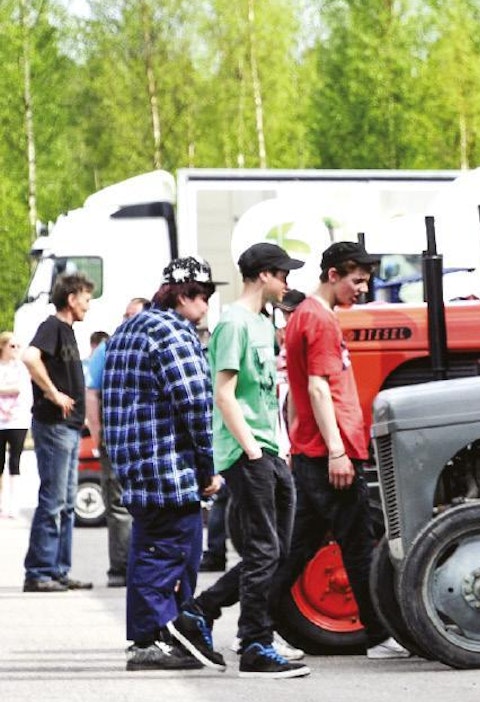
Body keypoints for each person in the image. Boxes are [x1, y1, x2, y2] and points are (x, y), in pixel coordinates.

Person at [280, 242, 409, 660]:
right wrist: (336, 451)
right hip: (330, 453)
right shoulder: (320, 320)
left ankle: (240, 622)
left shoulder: (306, 316)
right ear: (333, 275)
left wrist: (298, 442)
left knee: (299, 548)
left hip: (315, 450)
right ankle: (377, 637)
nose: (363, 289)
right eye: (357, 280)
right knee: (356, 545)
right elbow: (317, 387)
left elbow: (300, 394)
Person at [191, 243, 311, 679]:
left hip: (271, 450)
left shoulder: (263, 324)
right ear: (263, 274)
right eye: (283, 275)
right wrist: (254, 450)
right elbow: (223, 393)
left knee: (274, 551)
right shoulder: (233, 325)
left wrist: (277, 447)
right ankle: (255, 644)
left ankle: (200, 612)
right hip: (247, 452)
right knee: (264, 550)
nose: (287, 284)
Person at [103, 262, 225, 671]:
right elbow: (194, 402)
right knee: (168, 556)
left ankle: (158, 637)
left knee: (152, 551)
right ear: (182, 294)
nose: (207, 305)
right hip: (168, 468)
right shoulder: (173, 331)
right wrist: (207, 468)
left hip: (136, 466)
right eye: (203, 295)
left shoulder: (129, 329)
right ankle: (153, 641)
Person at [22, 272, 94, 592]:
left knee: (65, 503)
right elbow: (29, 357)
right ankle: (39, 571)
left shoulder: (68, 331)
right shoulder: (52, 327)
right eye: (86, 299)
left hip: (69, 426)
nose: (88, 306)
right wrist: (52, 393)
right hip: (54, 425)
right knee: (53, 500)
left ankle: (57, 570)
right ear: (71, 299)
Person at [85, 297, 149, 588]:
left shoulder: (154, 344)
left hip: (149, 438)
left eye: (132, 315)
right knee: (119, 504)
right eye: (124, 315)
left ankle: (144, 565)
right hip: (117, 437)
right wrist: (96, 431)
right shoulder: (108, 347)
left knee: (149, 503)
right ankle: (121, 569)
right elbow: (91, 392)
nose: (125, 321)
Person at [0, 331, 32, 518]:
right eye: (12, 346)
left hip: (17, 419)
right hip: (1, 421)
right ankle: (2, 503)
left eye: (18, 346)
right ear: (3, 346)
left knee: (15, 461)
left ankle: (14, 503)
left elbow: (19, 389)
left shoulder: (21, 368)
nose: (16, 350)